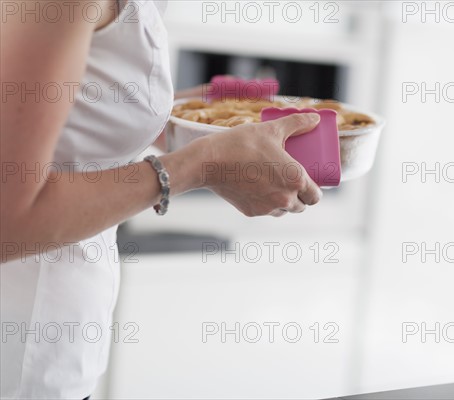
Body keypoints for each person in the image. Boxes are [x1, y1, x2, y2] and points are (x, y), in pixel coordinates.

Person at [0, 0, 322, 397]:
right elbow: (9, 219)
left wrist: (201, 120)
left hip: (61, 348)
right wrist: (200, 164)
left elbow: (74, 117)